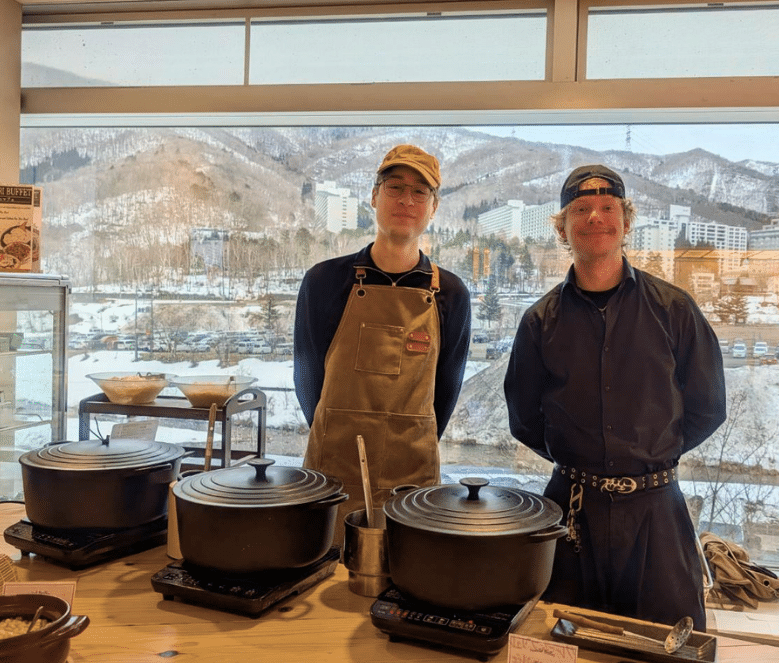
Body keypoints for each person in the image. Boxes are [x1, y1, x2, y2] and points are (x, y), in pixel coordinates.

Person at [503, 164, 726, 629]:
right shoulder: (539, 321)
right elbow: (523, 419)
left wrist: (648, 453)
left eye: (608, 208)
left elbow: (709, 407)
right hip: (570, 511)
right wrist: (580, 456)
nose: (595, 217)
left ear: (626, 223)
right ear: (562, 228)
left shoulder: (675, 310)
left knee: (671, 645)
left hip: (657, 513)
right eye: (580, 209)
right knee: (555, 642)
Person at [294, 144, 471, 542]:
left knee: (406, 568)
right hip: (332, 471)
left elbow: (447, 390)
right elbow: (306, 378)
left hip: (411, 479)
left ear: (434, 207)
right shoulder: (323, 282)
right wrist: (335, 429)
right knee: (324, 568)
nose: (407, 200)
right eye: (395, 187)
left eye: (420, 191)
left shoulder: (452, 293)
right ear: (374, 196)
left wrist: (409, 434)